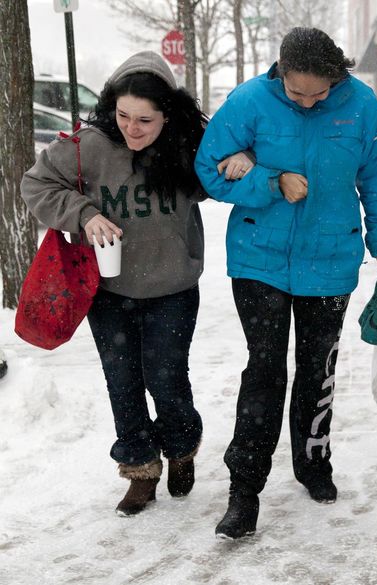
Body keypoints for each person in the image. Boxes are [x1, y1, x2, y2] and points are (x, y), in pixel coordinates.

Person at [195, 27, 377, 539]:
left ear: (338, 75)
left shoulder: (362, 107)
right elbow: (209, 170)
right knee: (265, 370)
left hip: (330, 257)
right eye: (297, 93)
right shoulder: (249, 102)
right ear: (279, 73)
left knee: (317, 370)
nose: (309, 102)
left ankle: (313, 464)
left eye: (320, 93)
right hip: (259, 260)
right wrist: (269, 180)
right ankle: (244, 490)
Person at [21, 51, 212, 517]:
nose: (132, 128)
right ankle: (140, 469)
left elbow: (218, 182)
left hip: (173, 287)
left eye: (145, 119)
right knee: (122, 381)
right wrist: (84, 214)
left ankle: (181, 447)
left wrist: (238, 162)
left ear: (168, 114)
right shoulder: (88, 145)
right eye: (123, 115)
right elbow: (37, 185)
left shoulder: (191, 144)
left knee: (166, 379)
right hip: (109, 293)